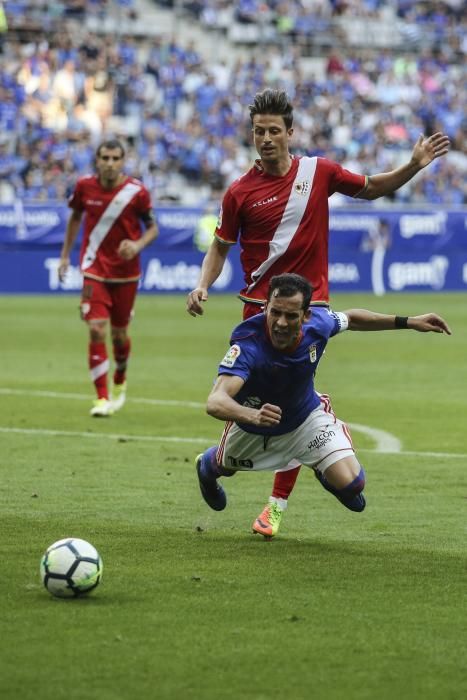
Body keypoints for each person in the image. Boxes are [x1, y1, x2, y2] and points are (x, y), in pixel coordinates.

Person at [186, 88, 451, 538]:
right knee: (258, 404)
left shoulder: (318, 172)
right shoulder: (239, 193)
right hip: (261, 312)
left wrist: (411, 166)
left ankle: (275, 506)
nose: (266, 139)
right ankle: (216, 464)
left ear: (291, 132)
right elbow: (220, 246)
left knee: (295, 399)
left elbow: (370, 188)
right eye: (258, 132)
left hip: (312, 307)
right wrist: (202, 284)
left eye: (274, 130)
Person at [195, 273, 451, 536]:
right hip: (255, 427)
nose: (281, 323)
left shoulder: (319, 324)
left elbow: (352, 318)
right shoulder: (248, 345)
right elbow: (216, 401)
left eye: (291, 316)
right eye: (275, 313)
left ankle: (321, 468)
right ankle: (205, 466)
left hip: (306, 419)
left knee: (354, 486)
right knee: (222, 467)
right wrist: (252, 415)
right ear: (265, 308)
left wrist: (408, 322)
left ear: (306, 315)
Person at [58, 138, 158, 416]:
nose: (110, 163)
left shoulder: (137, 192)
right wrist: (66, 255)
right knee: (96, 329)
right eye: (105, 158)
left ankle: (120, 379)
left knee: (119, 335)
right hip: (94, 269)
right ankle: (101, 398)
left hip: (126, 274)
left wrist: (136, 245)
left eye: (116, 158)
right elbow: (75, 218)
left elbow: (153, 229)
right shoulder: (84, 186)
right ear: (98, 160)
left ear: (123, 161)